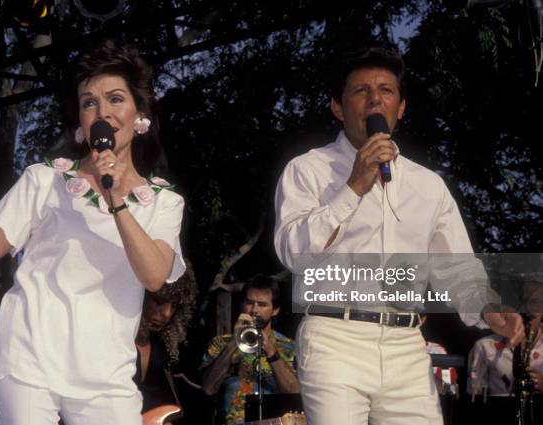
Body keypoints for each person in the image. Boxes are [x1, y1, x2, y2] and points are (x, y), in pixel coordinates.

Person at [273, 47, 524, 425]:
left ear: (400, 107)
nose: (375, 98)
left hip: (407, 346)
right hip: (334, 339)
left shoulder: (428, 185)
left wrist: (488, 308)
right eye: (361, 91)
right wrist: (353, 188)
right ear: (338, 108)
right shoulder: (306, 170)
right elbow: (292, 253)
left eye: (386, 90)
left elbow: (455, 269)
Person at [0, 39, 185, 425]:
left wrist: (115, 198)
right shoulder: (44, 180)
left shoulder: (163, 202)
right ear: (80, 122)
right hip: (27, 355)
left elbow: (154, 274)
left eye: (115, 99)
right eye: (89, 102)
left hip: (106, 372)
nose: (102, 112)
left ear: (139, 115)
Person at [201, 275, 299, 425]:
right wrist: (234, 342)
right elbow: (208, 388)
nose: (254, 310)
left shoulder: (289, 348)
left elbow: (294, 394)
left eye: (262, 304)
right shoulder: (221, 343)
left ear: (275, 310)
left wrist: (272, 352)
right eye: (249, 302)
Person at [134, 268, 198, 424]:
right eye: (159, 301)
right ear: (140, 296)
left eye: (174, 305)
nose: (167, 314)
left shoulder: (161, 349)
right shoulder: (115, 343)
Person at [468, 277, 543, 396]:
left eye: (535, 302)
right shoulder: (485, 347)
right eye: (523, 301)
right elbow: (474, 397)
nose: (527, 308)